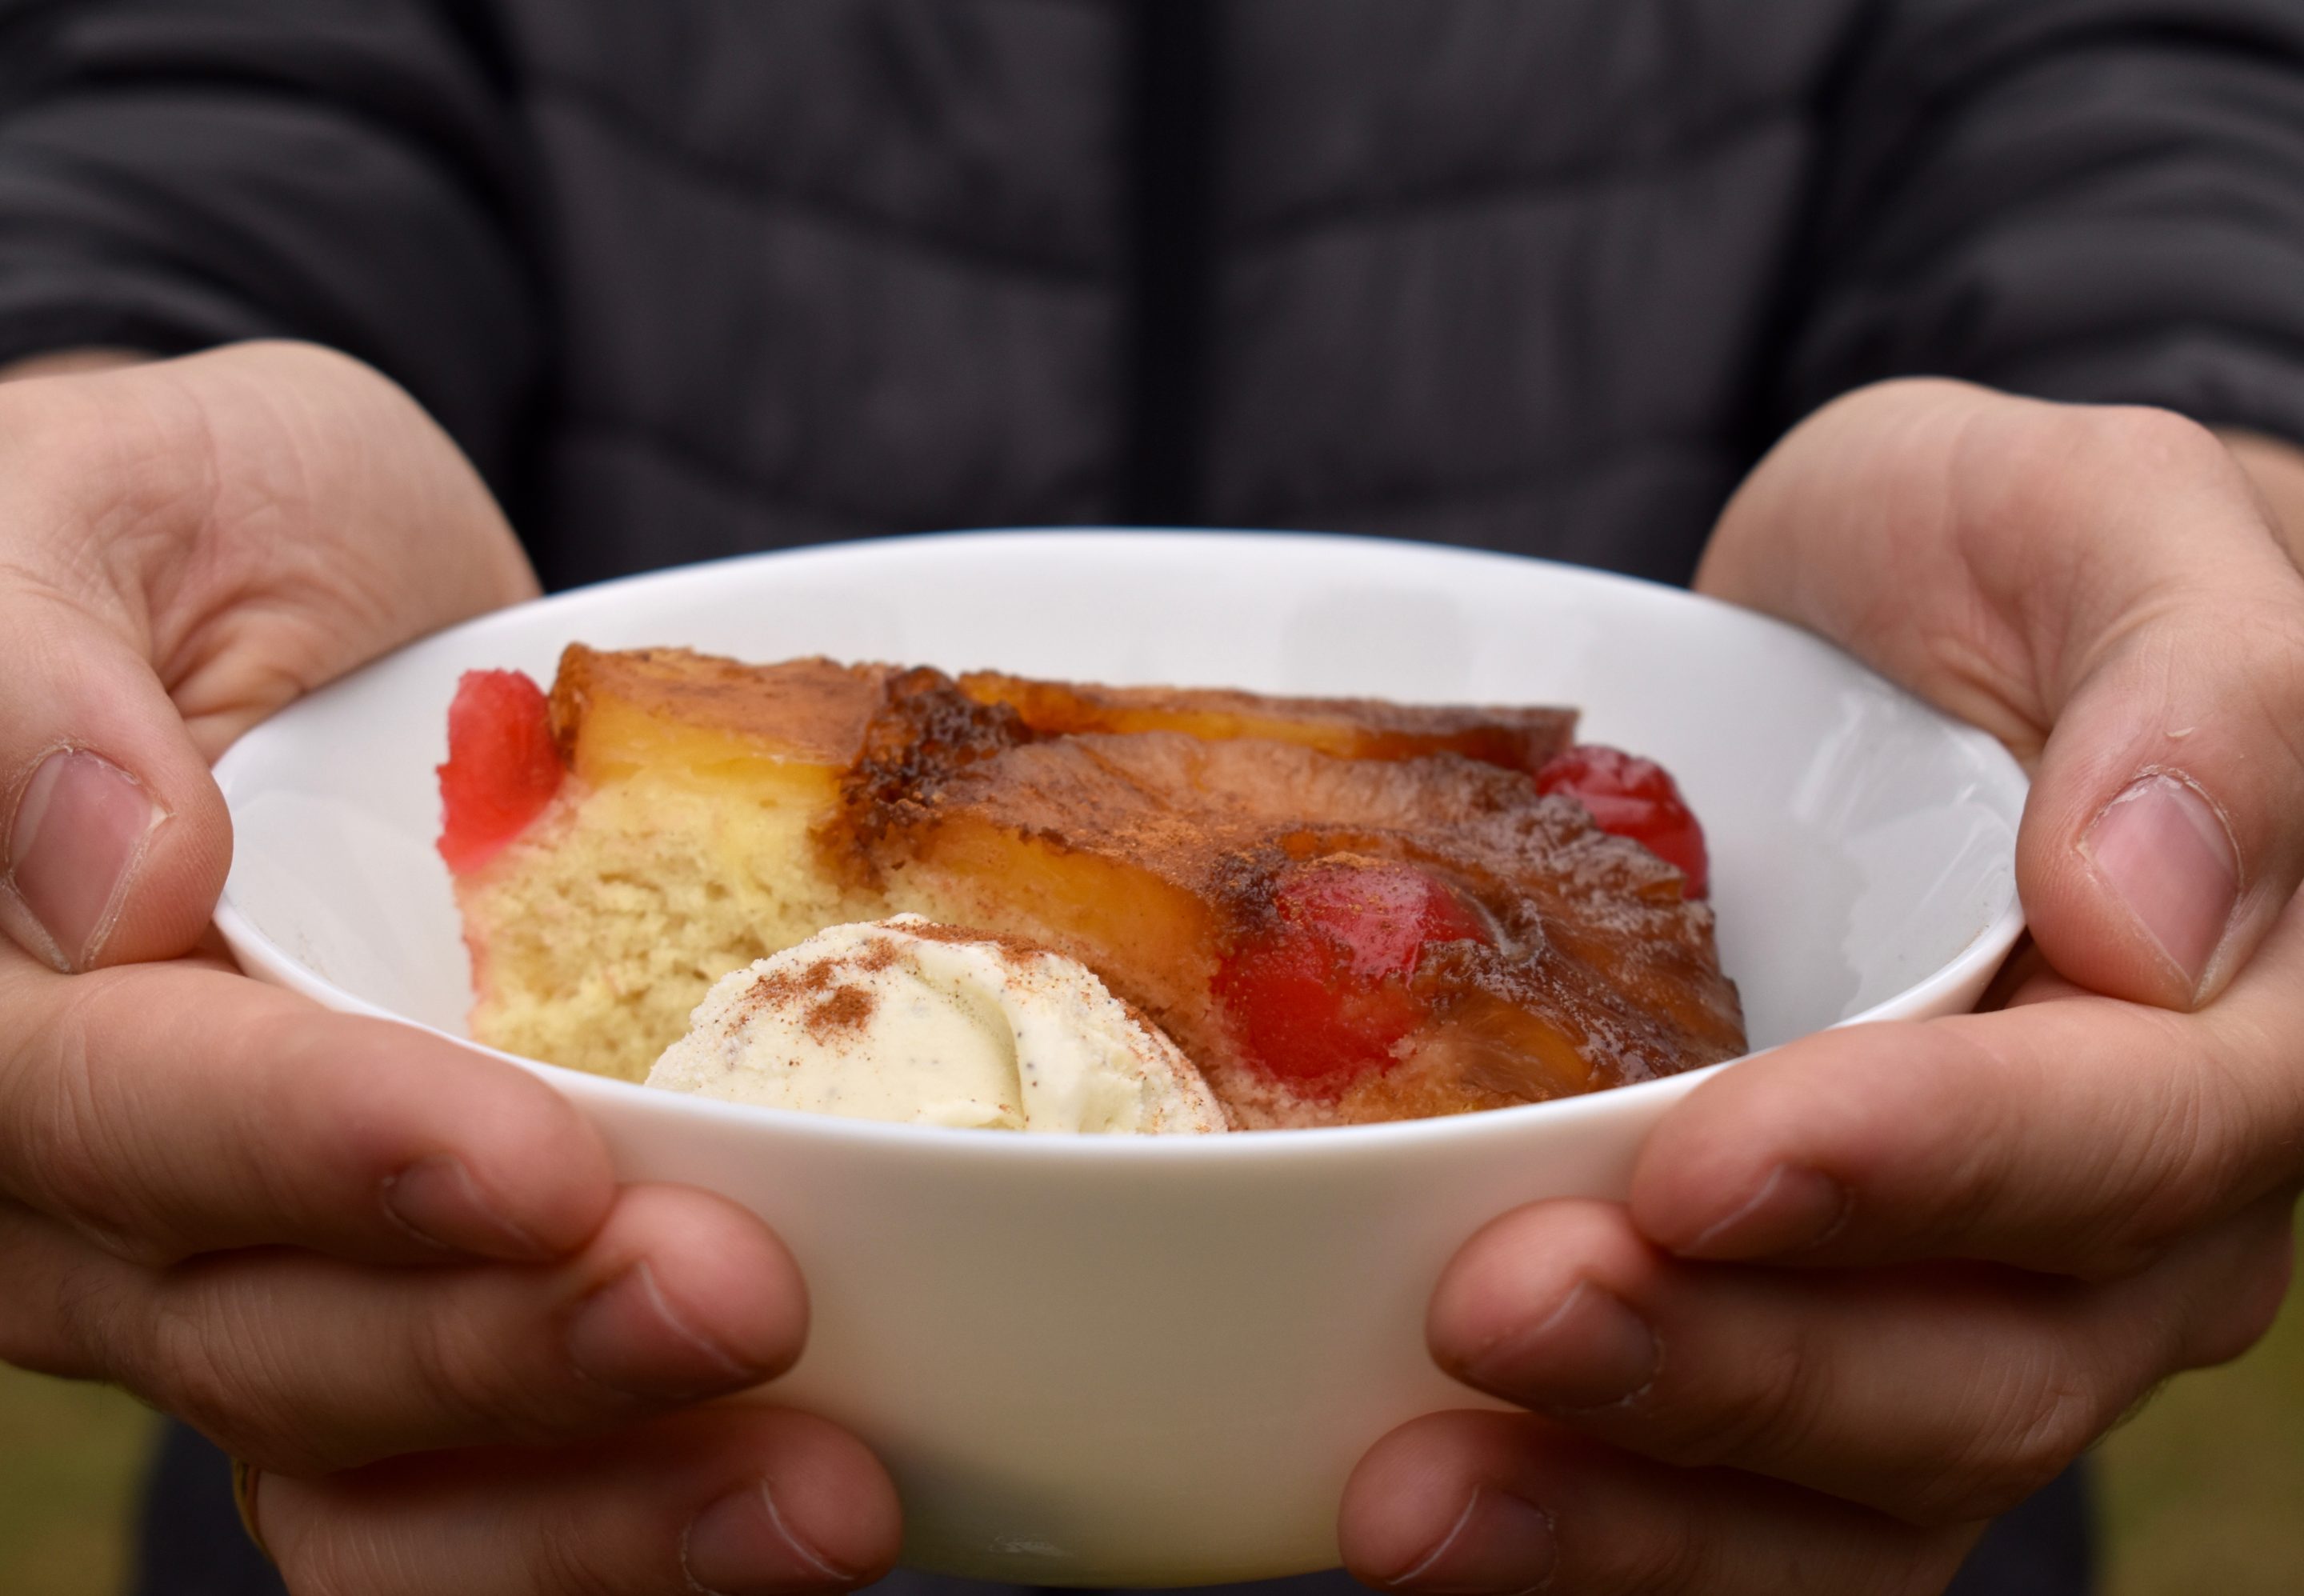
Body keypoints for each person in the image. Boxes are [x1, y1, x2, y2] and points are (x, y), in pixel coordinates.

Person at [4, 5, 2304, 1595]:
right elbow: (241, 78)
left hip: (1798, 1454)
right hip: (457, 1457)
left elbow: (2119, 78)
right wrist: (95, 367)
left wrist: (2201, 465)